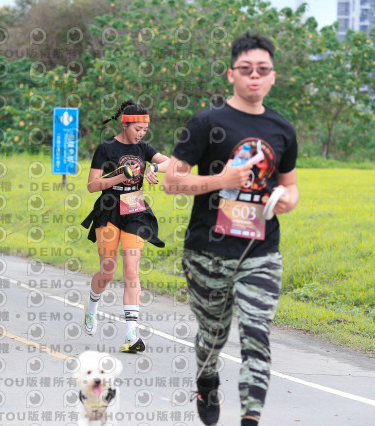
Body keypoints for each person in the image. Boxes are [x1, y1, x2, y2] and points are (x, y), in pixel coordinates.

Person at [163, 33, 299, 426]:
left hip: (261, 250)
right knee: (214, 334)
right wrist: (221, 179)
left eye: (262, 70)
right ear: (231, 74)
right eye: (246, 69)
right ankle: (206, 379)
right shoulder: (206, 122)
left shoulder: (282, 129)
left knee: (257, 333)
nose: (254, 76)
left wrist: (288, 200)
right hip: (208, 250)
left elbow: (290, 185)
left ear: (272, 77)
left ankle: (250, 419)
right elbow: (171, 182)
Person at [81, 100, 170, 353]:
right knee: (108, 270)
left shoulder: (144, 148)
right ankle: (92, 305)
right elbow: (92, 186)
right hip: (108, 208)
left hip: (134, 209)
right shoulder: (106, 148)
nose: (141, 134)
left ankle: (131, 335)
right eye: (137, 129)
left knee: (131, 270)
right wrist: (121, 176)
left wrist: (153, 167)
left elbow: (174, 163)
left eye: (144, 130)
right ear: (125, 124)